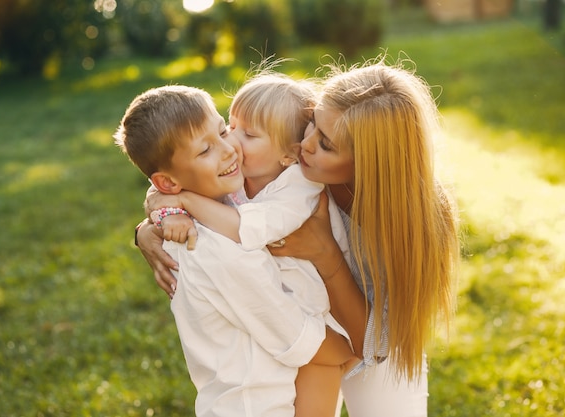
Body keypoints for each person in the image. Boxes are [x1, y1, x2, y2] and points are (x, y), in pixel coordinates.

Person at [136, 57, 460, 417]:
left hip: (374, 342)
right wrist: (153, 223)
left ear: (367, 163)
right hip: (311, 332)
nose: (304, 143)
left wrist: (327, 256)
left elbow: (377, 344)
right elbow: (191, 177)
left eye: (325, 144)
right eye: (311, 125)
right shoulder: (289, 164)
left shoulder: (412, 221)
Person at [115, 84, 355, 417]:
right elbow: (290, 333)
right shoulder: (216, 247)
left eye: (222, 131)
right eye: (205, 151)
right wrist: (348, 347)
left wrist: (167, 203)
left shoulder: (226, 199)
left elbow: (177, 177)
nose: (229, 149)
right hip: (256, 404)